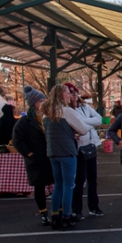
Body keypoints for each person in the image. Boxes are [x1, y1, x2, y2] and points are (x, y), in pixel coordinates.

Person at [40, 84, 92, 229]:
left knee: (58, 185)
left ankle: (55, 215)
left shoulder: (46, 113)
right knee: (69, 186)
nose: (70, 95)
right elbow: (82, 130)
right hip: (67, 152)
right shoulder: (67, 111)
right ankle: (66, 217)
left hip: (53, 152)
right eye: (68, 93)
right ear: (61, 95)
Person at [12, 86, 54, 225]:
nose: (44, 102)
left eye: (44, 99)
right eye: (41, 100)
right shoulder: (24, 122)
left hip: (52, 155)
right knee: (39, 186)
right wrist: (29, 153)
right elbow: (17, 140)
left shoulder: (51, 116)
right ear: (34, 103)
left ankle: (58, 211)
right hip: (36, 159)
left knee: (57, 184)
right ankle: (43, 212)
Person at [64, 83, 103, 220]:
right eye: (71, 92)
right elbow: (77, 125)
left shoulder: (86, 107)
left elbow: (99, 120)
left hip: (91, 145)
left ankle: (94, 207)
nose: (74, 95)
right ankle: (77, 210)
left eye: (76, 92)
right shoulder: (66, 110)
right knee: (79, 180)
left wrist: (82, 121)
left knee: (93, 179)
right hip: (79, 147)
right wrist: (87, 123)